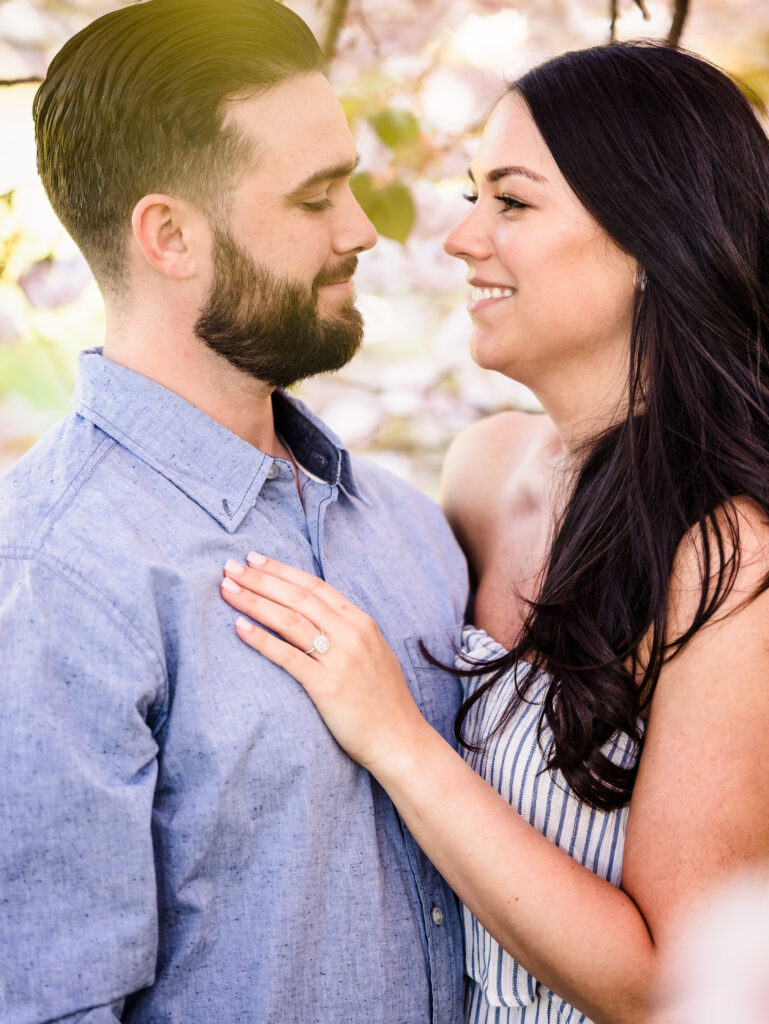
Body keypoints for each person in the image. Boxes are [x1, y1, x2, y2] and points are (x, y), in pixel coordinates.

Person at [219, 41, 769, 1024]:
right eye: (472, 197)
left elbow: (664, 988)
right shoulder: (482, 471)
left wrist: (395, 737)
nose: (460, 239)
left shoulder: (729, 558)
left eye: (509, 203)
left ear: (650, 239)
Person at [0, 2, 469, 1021]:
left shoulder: (408, 527)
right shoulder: (51, 572)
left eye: (350, 181)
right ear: (168, 234)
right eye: (315, 199)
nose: (362, 230)